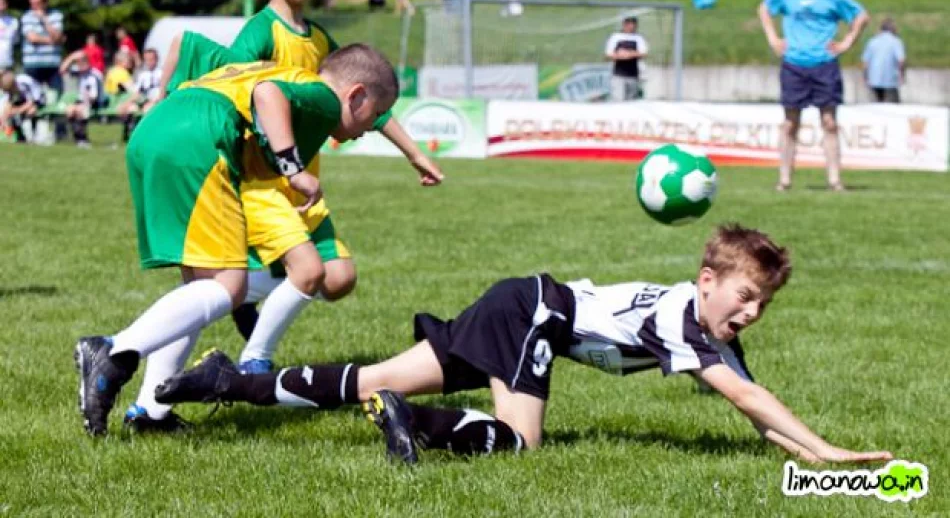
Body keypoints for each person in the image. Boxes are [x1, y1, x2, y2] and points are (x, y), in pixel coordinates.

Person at [156, 224, 893, 467]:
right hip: (535, 312)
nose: (753, 312)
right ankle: (412, 420)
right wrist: (827, 448)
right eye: (744, 295)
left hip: (522, 303)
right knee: (521, 442)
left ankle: (224, 382)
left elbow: (752, 409)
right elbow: (744, 394)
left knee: (369, 377)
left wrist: (811, 458)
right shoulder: (684, 321)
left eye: (763, 303)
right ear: (708, 281)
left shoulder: (705, 327)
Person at [151, 0, 443, 391]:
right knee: (294, 273)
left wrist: (414, 153)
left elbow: (365, 98)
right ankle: (253, 361)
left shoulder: (321, 39)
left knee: (339, 278)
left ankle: (248, 300)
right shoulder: (260, 32)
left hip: (303, 184)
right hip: (262, 182)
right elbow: (234, 93)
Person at [74, 44, 400, 437]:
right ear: (356, 95)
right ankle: (113, 351)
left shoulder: (283, 73)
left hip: (159, 127)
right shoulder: (324, 98)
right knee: (228, 287)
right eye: (376, 114)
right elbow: (267, 94)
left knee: (198, 289)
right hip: (200, 138)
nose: (372, 127)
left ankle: (150, 412)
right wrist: (293, 169)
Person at [758, 0, 869, 193]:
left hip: (824, 64)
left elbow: (861, 16)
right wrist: (773, 39)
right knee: (790, 123)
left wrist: (847, 42)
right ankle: (784, 180)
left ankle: (834, 180)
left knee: (829, 122)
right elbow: (764, 9)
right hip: (794, 63)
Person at [20, 0, 65, 96]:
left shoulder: (56, 15)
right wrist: (53, 41)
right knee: (32, 96)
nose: (34, 7)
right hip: (32, 64)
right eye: (32, 4)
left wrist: (44, 19)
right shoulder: (27, 17)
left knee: (57, 94)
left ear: (45, 3)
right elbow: (32, 38)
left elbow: (57, 36)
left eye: (37, 3)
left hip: (52, 63)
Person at [58, 51, 104, 148]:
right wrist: (72, 57)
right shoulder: (80, 71)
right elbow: (62, 70)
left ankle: (83, 138)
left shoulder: (94, 75)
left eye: (81, 63)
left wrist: (83, 105)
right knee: (70, 110)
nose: (79, 67)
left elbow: (94, 96)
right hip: (82, 100)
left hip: (94, 101)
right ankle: (77, 137)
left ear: (87, 63)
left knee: (80, 110)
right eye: (78, 64)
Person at [116, 48, 163, 142]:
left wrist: (154, 101)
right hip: (144, 101)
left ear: (157, 59)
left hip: (157, 101)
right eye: (147, 60)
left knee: (148, 109)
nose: (149, 62)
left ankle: (148, 136)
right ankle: (128, 134)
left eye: (151, 59)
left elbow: (163, 92)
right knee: (130, 108)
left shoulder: (162, 73)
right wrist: (126, 103)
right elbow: (137, 93)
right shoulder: (143, 75)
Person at [604, 16, 648, 101]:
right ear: (624, 25)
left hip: (633, 75)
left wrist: (630, 54)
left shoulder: (638, 38)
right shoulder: (616, 37)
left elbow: (643, 53)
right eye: (629, 25)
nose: (631, 27)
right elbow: (608, 54)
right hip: (618, 75)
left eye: (633, 25)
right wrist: (620, 55)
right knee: (618, 100)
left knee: (631, 101)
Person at [861, 18, 905, 103]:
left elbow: (865, 63)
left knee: (877, 106)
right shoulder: (896, 41)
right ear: (893, 29)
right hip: (891, 81)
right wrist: (902, 76)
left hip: (874, 80)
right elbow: (901, 61)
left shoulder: (872, 41)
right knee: (893, 106)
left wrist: (865, 77)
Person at [0, 70, 45, 142]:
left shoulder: (23, 83)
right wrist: (3, 119)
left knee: (31, 111)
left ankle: (33, 136)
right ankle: (21, 138)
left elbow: (31, 102)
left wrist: (16, 111)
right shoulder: (11, 88)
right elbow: (8, 105)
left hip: (39, 101)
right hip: (26, 102)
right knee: (10, 115)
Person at [0, 0, 19, 72]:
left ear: (6, 5)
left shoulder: (14, 21)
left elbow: (15, 41)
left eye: (2, 3)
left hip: (7, 63)